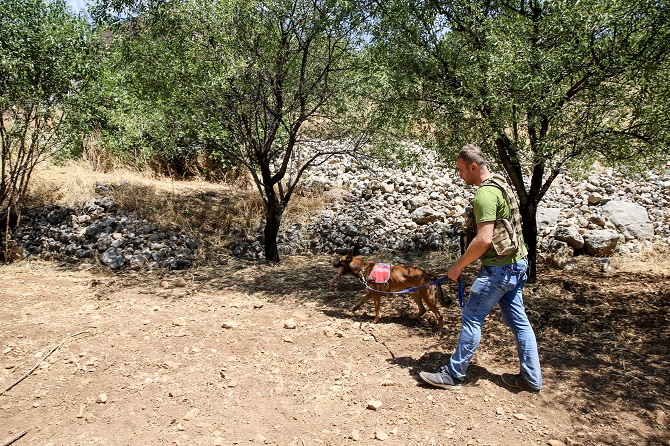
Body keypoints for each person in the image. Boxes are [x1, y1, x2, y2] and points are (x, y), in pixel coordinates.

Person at [419, 144, 542, 392]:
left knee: (472, 317)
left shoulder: (484, 195)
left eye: (463, 170)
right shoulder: (501, 183)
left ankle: (453, 375)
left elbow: (484, 239)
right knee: (520, 322)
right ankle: (531, 379)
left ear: (474, 167)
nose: (461, 175)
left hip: (500, 270)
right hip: (517, 265)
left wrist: (457, 266)